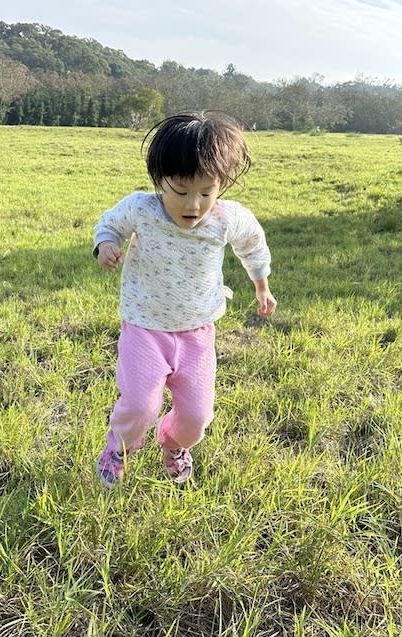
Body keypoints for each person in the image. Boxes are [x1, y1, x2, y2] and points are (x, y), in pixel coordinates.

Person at [92, 111, 277, 488]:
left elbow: (252, 245)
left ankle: (174, 445)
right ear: (160, 181)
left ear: (220, 185)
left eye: (206, 192)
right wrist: (106, 245)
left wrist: (262, 285)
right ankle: (119, 447)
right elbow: (108, 224)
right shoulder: (142, 208)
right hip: (145, 327)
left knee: (197, 416)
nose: (193, 204)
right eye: (180, 191)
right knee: (141, 406)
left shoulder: (227, 218)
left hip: (197, 332)